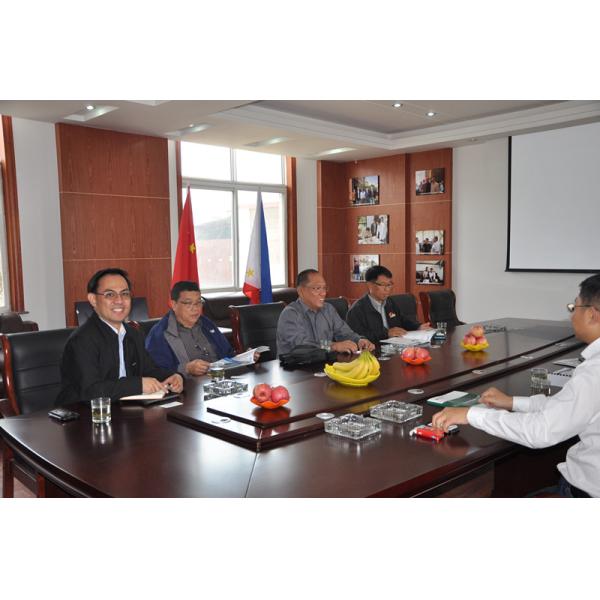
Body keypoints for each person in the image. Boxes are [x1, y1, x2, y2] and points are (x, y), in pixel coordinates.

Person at [432, 273, 600, 498]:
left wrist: (470, 415)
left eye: (574, 307)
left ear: (591, 314)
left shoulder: (594, 372)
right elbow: (566, 407)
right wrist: (512, 402)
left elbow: (541, 431)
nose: (571, 315)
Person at [57, 268, 183, 405]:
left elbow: (149, 370)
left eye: (125, 294)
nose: (119, 300)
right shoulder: (82, 340)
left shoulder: (134, 334)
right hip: (85, 413)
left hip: (125, 409)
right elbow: (91, 391)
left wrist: (173, 377)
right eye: (110, 294)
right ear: (93, 299)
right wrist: (138, 385)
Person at [145, 280, 235, 377]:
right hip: (190, 384)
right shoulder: (160, 334)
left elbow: (228, 353)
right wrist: (186, 368)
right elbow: (156, 371)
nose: (195, 308)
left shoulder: (206, 323)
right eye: (188, 303)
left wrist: (242, 359)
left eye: (198, 302)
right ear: (174, 305)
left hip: (221, 378)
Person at [276, 269, 375, 355]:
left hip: (322, 363)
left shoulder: (328, 309)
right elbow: (302, 345)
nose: (323, 293)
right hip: (293, 368)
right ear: (301, 291)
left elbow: (344, 333)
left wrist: (359, 340)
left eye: (324, 288)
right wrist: (333, 346)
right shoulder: (291, 314)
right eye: (317, 288)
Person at [347, 265, 432, 341]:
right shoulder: (357, 310)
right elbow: (356, 337)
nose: (387, 289)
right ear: (370, 285)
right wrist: (386, 333)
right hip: (373, 350)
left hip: (395, 346)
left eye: (389, 285)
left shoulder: (390, 302)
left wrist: (418, 326)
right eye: (383, 285)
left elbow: (403, 321)